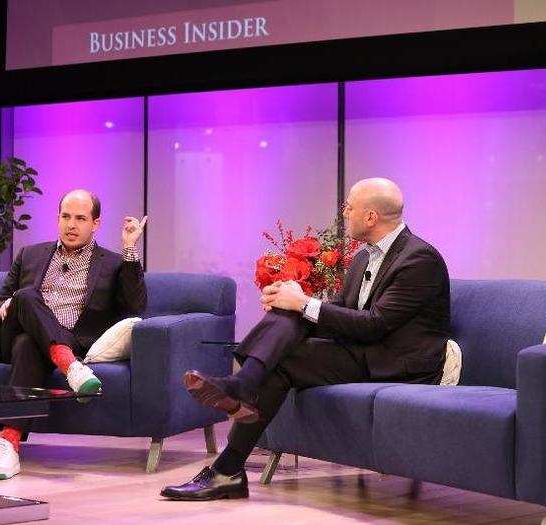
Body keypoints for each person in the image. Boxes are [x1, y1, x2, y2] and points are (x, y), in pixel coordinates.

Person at [161, 177, 450, 500]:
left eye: (349, 208)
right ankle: (238, 406)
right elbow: (340, 313)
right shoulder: (364, 257)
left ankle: (231, 449)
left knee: (288, 345)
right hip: (365, 351)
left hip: (398, 364)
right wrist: (293, 302)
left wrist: (303, 303)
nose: (344, 214)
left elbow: (374, 325)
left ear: (371, 217)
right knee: (291, 313)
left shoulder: (418, 260)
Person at [0, 189, 147, 480]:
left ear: (95, 223)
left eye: (81, 218)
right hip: (15, 330)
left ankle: (8, 442)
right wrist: (8, 306)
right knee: (26, 296)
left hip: (65, 339)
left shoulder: (111, 263)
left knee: (27, 345)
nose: (71, 225)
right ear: (58, 219)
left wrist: (130, 249)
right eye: (66, 217)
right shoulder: (30, 254)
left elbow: (135, 307)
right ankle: (71, 367)